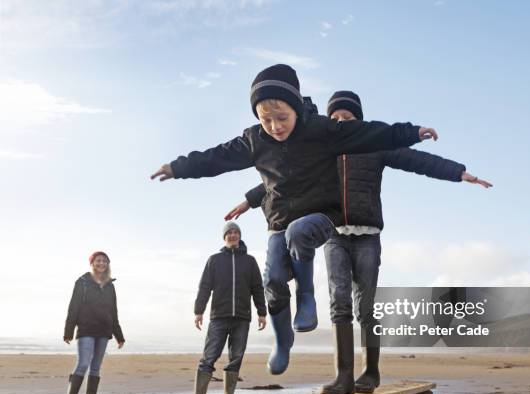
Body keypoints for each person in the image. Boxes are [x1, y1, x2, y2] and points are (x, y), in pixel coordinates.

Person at [151, 64, 437, 375]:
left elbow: (369, 133)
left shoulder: (322, 131)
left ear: (297, 109)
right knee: (273, 278)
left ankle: (306, 297)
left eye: (282, 118)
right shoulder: (255, 140)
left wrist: (411, 132)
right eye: (266, 120)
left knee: (300, 233)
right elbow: (215, 157)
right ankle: (283, 342)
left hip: (322, 215)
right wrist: (177, 168)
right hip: (279, 220)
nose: (274, 126)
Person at [227, 90, 492, 394]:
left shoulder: (374, 148)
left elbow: (417, 160)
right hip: (333, 234)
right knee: (339, 303)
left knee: (365, 307)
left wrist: (460, 173)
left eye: (347, 117)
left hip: (367, 236)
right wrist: (248, 201)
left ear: (358, 121)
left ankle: (371, 372)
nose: (340, 121)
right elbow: (282, 181)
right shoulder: (320, 149)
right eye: (335, 117)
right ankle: (343, 377)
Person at [181, 222, 267, 394]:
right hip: (218, 317)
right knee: (208, 358)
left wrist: (262, 312)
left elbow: (257, 288)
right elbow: (204, 286)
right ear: (224, 237)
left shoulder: (250, 261)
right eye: (229, 232)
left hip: (242, 318)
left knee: (235, 358)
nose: (233, 235)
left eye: (236, 232)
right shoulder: (214, 260)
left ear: (240, 236)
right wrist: (199, 310)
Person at [62, 251, 125, 394]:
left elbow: (113, 312)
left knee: (96, 367)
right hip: (86, 329)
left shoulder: (110, 286)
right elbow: (73, 307)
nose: (101, 263)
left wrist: (119, 335)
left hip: (104, 331)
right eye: (98, 260)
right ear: (92, 263)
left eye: (104, 261)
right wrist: (68, 330)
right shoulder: (82, 282)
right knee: (83, 364)